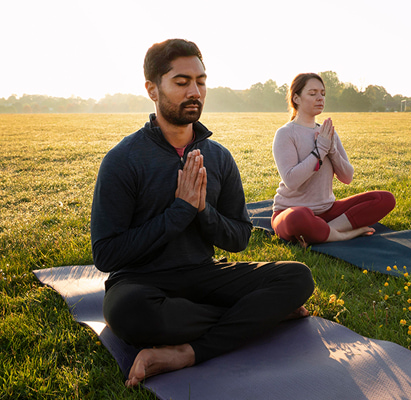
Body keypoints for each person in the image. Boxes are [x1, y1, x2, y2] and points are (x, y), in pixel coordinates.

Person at [90, 39, 314, 387]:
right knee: (128, 313)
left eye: (201, 81)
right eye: (182, 82)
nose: (195, 91)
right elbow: (107, 253)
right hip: (142, 283)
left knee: (297, 277)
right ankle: (260, 316)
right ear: (152, 89)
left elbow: (239, 238)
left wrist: (202, 211)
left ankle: (187, 352)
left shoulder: (219, 157)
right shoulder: (123, 160)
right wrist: (178, 212)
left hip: (204, 275)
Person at [271, 73, 396, 245]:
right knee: (299, 217)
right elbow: (292, 181)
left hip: (327, 210)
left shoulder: (328, 132)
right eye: (313, 93)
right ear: (296, 98)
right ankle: (342, 234)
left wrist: (332, 150)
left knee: (384, 199)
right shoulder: (286, 133)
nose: (320, 98)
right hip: (291, 211)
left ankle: (325, 230)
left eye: (322, 93)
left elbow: (347, 177)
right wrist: (320, 150)